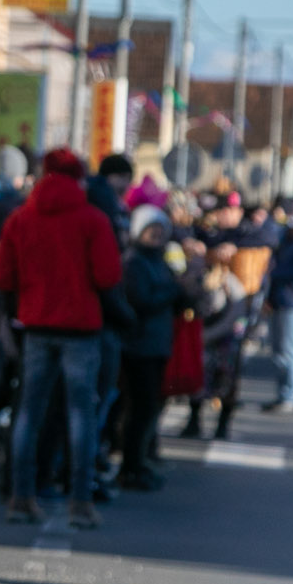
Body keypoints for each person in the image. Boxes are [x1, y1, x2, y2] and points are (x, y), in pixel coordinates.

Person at [0, 148, 122, 528]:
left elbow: (0, 276)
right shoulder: (92, 220)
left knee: (28, 412)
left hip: (35, 326)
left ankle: (20, 496)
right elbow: (108, 276)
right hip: (80, 328)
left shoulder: (21, 218)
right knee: (81, 413)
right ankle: (80, 501)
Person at [116, 206, 185, 489]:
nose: (157, 235)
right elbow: (141, 301)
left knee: (149, 408)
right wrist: (175, 290)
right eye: (151, 230)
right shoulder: (134, 262)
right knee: (140, 409)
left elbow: (176, 302)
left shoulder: (160, 261)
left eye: (161, 231)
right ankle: (130, 467)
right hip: (139, 346)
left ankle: (140, 462)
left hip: (156, 344)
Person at [181, 241, 247, 440]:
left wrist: (211, 334)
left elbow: (236, 315)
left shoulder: (230, 282)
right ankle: (194, 421)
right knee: (198, 379)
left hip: (224, 340)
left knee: (227, 381)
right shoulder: (195, 279)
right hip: (202, 337)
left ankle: (222, 425)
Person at [263, 196, 293, 412]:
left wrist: (275, 272)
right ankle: (283, 393)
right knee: (278, 350)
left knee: (290, 349)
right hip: (279, 299)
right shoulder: (289, 235)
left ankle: (289, 395)